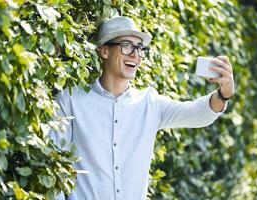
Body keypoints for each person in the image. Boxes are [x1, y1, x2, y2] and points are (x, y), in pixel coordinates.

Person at [50, 16, 234, 200]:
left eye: (140, 48)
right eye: (127, 46)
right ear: (104, 51)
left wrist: (223, 94)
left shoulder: (150, 102)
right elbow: (54, 166)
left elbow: (196, 114)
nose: (135, 55)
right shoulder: (70, 100)